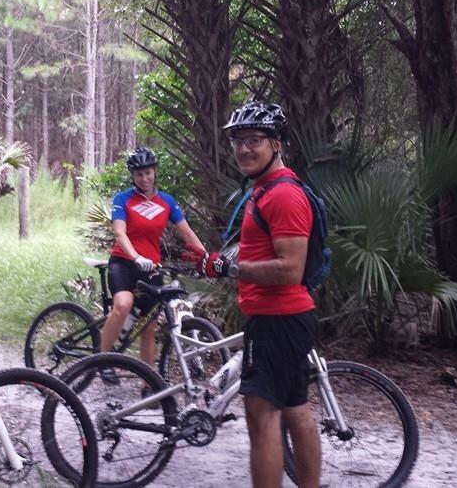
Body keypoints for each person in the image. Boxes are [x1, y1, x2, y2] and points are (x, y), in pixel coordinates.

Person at [198, 102, 321, 488]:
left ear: (277, 144)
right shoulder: (263, 191)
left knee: (263, 416)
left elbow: (289, 268)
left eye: (255, 140)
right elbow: (263, 252)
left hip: (278, 319)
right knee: (294, 410)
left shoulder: (282, 196)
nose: (244, 149)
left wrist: (231, 268)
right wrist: (223, 260)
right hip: (280, 318)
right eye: (238, 141)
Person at [99, 147, 207, 389]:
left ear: (154, 172)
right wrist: (135, 256)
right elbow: (119, 232)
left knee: (149, 326)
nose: (144, 178)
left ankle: (149, 385)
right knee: (123, 305)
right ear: (132, 176)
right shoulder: (123, 199)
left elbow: (186, 232)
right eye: (138, 175)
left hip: (151, 268)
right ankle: (103, 359)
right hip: (124, 263)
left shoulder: (166, 202)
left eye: (147, 173)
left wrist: (206, 258)